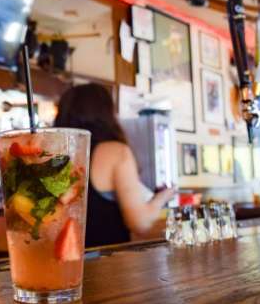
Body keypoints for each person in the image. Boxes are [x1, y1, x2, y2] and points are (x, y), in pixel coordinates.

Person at [54, 83, 175, 247]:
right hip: (106, 259)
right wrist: (163, 197)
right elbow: (139, 223)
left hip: (60, 257)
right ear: (105, 113)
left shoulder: (53, 153)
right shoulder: (116, 152)